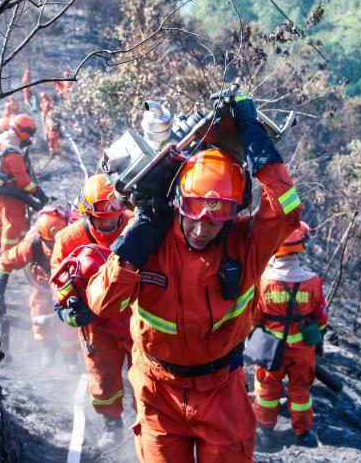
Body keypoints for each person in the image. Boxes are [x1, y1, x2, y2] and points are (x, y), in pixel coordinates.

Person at [86, 93, 302, 462]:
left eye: (217, 217)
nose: (203, 228)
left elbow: (285, 209)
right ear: (177, 202)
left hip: (222, 391)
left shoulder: (245, 244)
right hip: (158, 391)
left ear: (235, 213)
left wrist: (255, 137)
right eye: (193, 211)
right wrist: (131, 248)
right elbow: (102, 303)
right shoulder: (151, 239)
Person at [50, 174, 134, 448]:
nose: (109, 224)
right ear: (86, 214)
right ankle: (112, 425)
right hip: (96, 321)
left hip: (136, 316)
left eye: (113, 217)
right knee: (103, 375)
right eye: (102, 219)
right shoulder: (68, 239)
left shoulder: (135, 225)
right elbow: (59, 281)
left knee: (148, 376)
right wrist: (65, 309)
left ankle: (150, 425)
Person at [252, 221, 328, 449]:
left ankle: (265, 431)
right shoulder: (313, 282)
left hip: (269, 349)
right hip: (302, 350)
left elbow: (254, 319)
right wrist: (318, 338)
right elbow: (322, 318)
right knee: (301, 391)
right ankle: (303, 434)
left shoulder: (263, 282)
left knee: (267, 391)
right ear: (299, 248)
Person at [0, 206, 70, 364]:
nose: (55, 248)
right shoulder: (33, 245)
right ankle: (48, 347)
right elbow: (5, 261)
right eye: (50, 244)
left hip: (70, 287)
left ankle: (71, 356)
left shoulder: (74, 239)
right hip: (43, 285)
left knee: (71, 322)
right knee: (40, 312)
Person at [0, 113, 50, 253]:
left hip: (0, 190)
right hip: (12, 193)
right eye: (28, 135)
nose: (29, 138)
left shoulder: (3, 138)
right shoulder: (14, 154)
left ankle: (3, 249)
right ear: (22, 132)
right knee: (13, 225)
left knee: (1, 221)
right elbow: (24, 182)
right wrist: (38, 193)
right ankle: (9, 255)